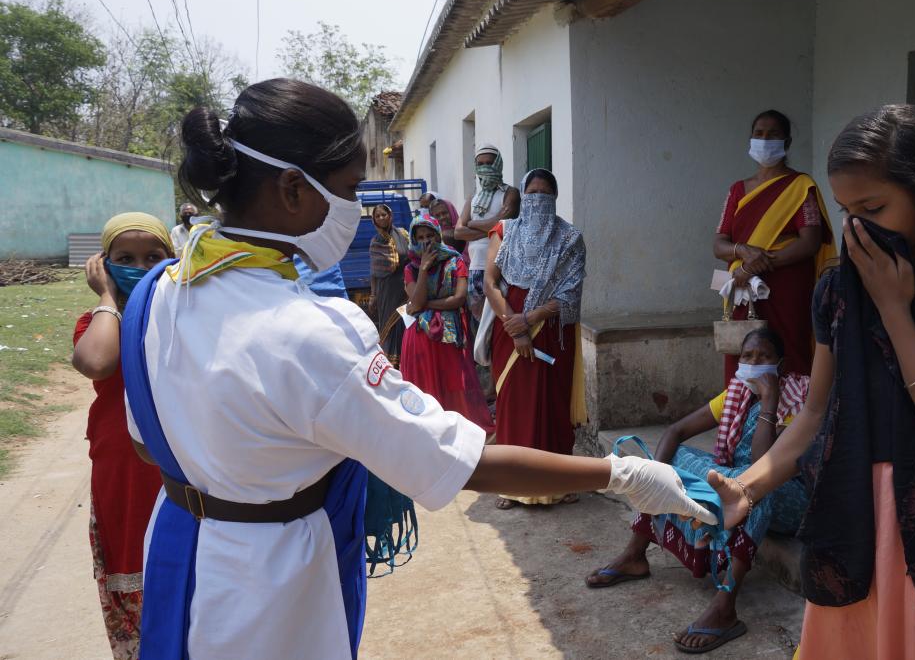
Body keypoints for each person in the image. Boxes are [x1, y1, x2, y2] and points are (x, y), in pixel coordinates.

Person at [130, 78, 717, 660]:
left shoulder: (160, 292)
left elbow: (145, 441)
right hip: (266, 586)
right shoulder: (311, 332)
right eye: (350, 189)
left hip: (179, 550)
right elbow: (459, 461)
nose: (357, 209)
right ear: (292, 189)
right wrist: (623, 475)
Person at [707, 104, 915, 659]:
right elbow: (815, 413)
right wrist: (749, 486)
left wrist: (895, 310)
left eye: (874, 208)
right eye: (847, 210)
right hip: (850, 516)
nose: (857, 227)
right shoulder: (837, 292)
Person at [586, 328, 811, 654]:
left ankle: (725, 607)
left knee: (756, 491)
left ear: (781, 364)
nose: (754, 364)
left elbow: (764, 464)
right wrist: (657, 475)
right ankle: (635, 554)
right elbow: (675, 431)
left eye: (764, 357)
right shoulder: (735, 393)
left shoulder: (798, 398)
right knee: (674, 460)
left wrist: (770, 401)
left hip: (787, 495)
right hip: (736, 480)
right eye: (747, 356)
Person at [70, 212, 174, 659]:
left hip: (176, 469)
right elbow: (98, 363)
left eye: (153, 256)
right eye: (125, 258)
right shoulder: (96, 322)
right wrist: (108, 297)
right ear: (104, 264)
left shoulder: (183, 317)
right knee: (132, 567)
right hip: (123, 473)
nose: (140, 266)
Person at [483, 168, 586, 509]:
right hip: (508, 326)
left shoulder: (570, 239)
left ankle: (558, 482)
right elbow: (490, 283)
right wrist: (515, 327)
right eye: (532, 193)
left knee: (552, 404)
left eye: (545, 193)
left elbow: (571, 294)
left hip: (552, 331)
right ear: (522, 196)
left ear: (554, 198)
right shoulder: (504, 231)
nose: (538, 199)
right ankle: (512, 484)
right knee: (514, 402)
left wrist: (530, 319)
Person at [713, 109, 836, 382]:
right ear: (750, 139)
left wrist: (754, 266)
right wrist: (742, 252)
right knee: (742, 351)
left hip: (787, 287)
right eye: (759, 134)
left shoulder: (801, 186)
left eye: (773, 134)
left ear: (787, 142)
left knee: (790, 350)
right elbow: (719, 244)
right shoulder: (737, 190)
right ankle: (742, 407)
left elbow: (810, 242)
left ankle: (792, 408)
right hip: (743, 287)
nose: (765, 140)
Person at [400, 212, 492, 432]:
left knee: (455, 384)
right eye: (420, 237)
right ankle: (430, 433)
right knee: (426, 389)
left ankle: (459, 433)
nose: (425, 241)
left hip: (449, 336)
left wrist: (426, 305)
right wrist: (424, 269)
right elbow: (416, 301)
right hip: (421, 338)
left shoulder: (455, 261)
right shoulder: (411, 268)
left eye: (429, 235)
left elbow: (459, 299)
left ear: (438, 235)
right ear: (414, 240)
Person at [455, 145, 519, 321]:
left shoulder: (510, 193)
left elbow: (502, 224)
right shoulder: (473, 198)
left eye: (489, 163)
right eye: (480, 164)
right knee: (479, 324)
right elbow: (458, 232)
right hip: (475, 269)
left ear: (498, 164)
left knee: (501, 321)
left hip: (502, 269)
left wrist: (472, 223)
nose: (485, 168)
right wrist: (493, 228)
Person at [367, 203, 410, 366]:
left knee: (405, 320)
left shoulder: (403, 235)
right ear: (374, 220)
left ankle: (406, 356)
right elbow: (374, 272)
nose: (381, 218)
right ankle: (392, 362)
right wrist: (373, 295)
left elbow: (412, 258)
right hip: (386, 291)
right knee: (389, 325)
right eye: (377, 216)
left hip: (405, 288)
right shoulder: (375, 242)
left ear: (390, 216)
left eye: (383, 215)